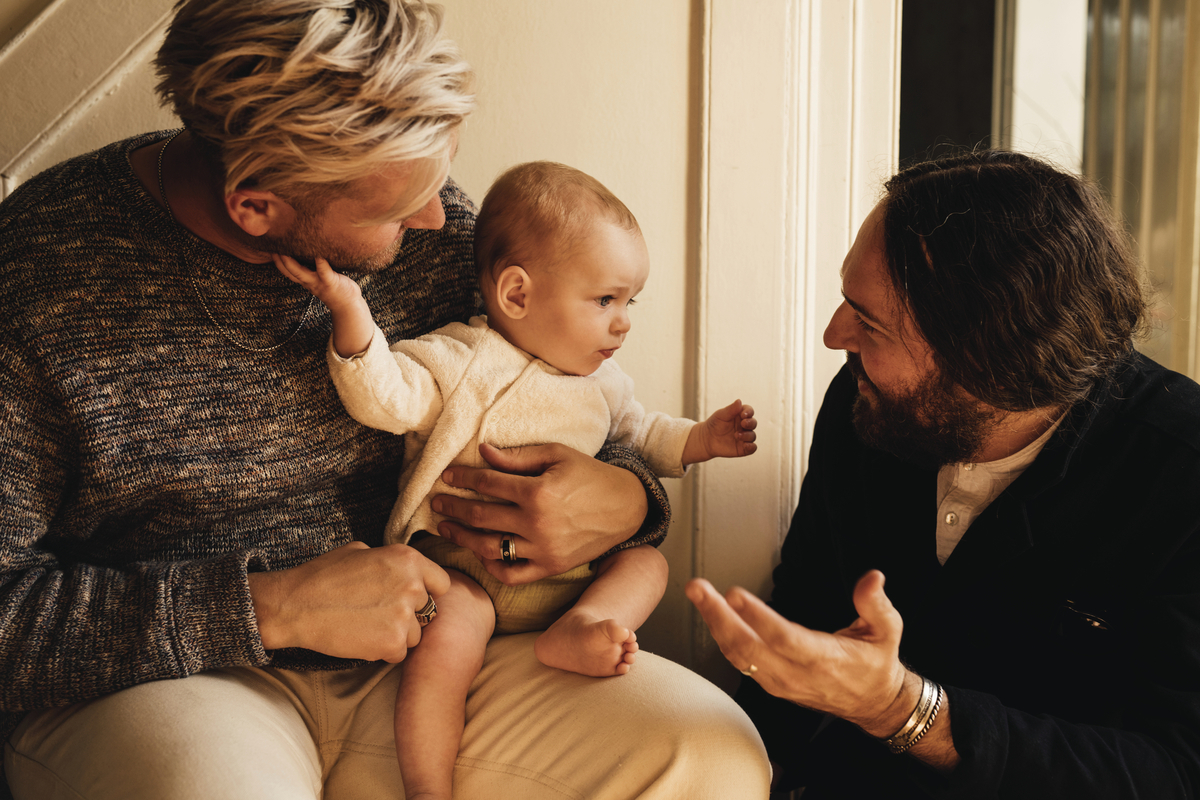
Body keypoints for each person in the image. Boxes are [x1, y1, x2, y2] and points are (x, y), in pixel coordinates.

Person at [0, 1, 772, 798]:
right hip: (180, 682)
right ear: (256, 205)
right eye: (398, 212)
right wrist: (269, 607)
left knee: (708, 757)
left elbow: (548, 397)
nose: (440, 218)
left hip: (447, 644)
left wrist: (627, 498)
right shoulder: (39, 278)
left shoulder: (434, 225)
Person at [688, 149, 1200, 798]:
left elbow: (1178, 770)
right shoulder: (866, 405)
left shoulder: (1180, 479)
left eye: (867, 320)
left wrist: (905, 711)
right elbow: (808, 609)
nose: (831, 335)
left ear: (989, 359)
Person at [274, 159, 759, 800]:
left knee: (647, 566)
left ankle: (581, 627)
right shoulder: (460, 357)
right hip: (460, 571)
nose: (624, 322)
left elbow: (643, 435)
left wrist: (702, 440)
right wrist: (350, 311)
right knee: (449, 642)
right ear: (518, 295)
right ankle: (427, 784)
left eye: (629, 302)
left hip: (563, 587)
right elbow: (385, 397)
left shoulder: (603, 384)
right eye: (605, 300)